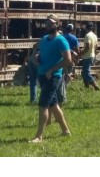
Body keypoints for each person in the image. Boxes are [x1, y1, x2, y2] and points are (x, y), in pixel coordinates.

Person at [29, 14, 71, 143]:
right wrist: (36, 57)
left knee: (43, 105)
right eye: (46, 23)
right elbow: (39, 53)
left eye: (51, 23)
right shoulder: (45, 39)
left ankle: (39, 136)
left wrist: (52, 70)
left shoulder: (61, 40)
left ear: (58, 24)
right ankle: (65, 131)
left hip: (53, 77)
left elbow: (68, 60)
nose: (48, 26)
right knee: (53, 105)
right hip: (42, 75)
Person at [79, 22, 100, 90]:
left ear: (86, 28)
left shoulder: (87, 36)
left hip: (87, 56)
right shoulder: (94, 35)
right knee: (84, 72)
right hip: (92, 55)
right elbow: (96, 46)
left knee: (86, 73)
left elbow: (87, 47)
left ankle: (95, 84)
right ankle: (86, 86)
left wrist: (81, 53)